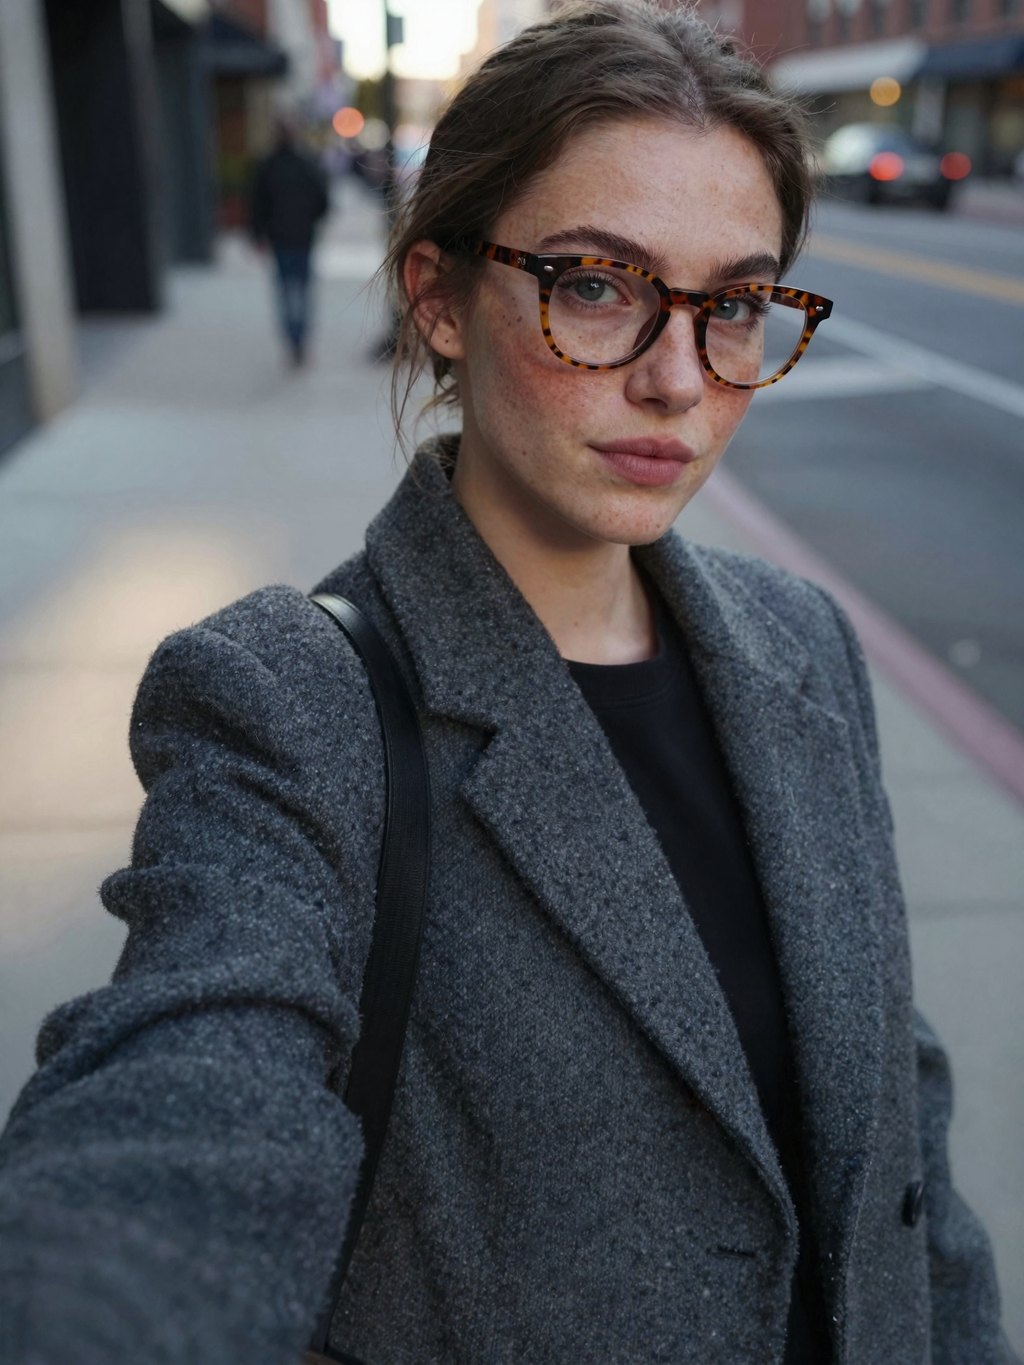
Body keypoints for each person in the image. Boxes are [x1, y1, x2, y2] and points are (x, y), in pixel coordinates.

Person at [0, 3, 1014, 1362]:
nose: (677, 380)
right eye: (595, 285)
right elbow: (181, 1106)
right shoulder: (288, 702)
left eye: (733, 306)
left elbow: (902, 1132)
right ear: (438, 297)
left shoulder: (803, 644)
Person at [249, 118, 330, 366]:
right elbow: (323, 201)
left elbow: (257, 204)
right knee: (301, 290)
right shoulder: (306, 164)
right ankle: (299, 338)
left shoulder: (269, 165)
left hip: (282, 238)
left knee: (286, 290)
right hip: (301, 237)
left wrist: (259, 235)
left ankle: (294, 338)